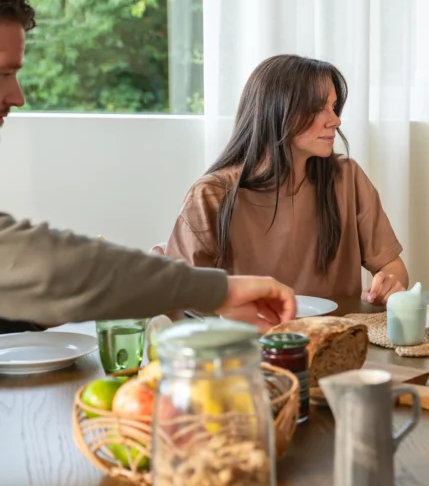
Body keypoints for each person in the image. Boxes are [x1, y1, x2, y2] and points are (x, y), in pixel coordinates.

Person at [0, 0, 296, 331]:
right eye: (3, 74)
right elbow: (44, 268)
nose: (17, 97)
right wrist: (217, 290)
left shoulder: (344, 176)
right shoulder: (215, 189)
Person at [166, 55, 408, 305]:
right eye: (318, 108)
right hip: (251, 341)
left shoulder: (348, 178)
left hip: (339, 338)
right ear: (276, 111)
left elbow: (393, 267)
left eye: (334, 107)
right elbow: (181, 297)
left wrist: (388, 283)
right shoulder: (212, 195)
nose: (335, 120)